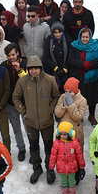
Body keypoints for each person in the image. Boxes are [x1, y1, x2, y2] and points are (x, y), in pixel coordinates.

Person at [12, 55, 60, 184]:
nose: (33, 71)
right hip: (30, 122)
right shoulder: (23, 81)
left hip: (47, 121)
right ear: (27, 69)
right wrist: (23, 112)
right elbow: (15, 97)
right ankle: (37, 168)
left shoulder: (50, 80)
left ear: (40, 68)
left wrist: (50, 110)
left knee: (48, 146)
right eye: (31, 68)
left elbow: (56, 96)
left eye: (36, 68)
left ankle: (50, 169)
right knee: (33, 146)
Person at [69, 28, 98, 125]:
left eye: (87, 37)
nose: (85, 39)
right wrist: (83, 64)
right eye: (83, 37)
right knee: (79, 97)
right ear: (80, 37)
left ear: (90, 37)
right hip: (78, 76)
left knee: (92, 97)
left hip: (92, 76)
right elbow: (71, 60)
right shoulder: (74, 46)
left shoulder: (95, 46)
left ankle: (91, 115)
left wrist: (90, 65)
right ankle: (80, 115)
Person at [49, 121, 85, 194]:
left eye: (65, 134)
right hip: (61, 169)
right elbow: (53, 156)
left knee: (72, 182)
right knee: (64, 183)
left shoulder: (75, 143)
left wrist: (82, 167)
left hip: (72, 168)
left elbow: (80, 156)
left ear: (70, 134)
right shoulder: (57, 143)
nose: (63, 136)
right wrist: (51, 168)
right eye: (61, 134)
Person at [54, 78, 87, 148]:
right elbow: (57, 114)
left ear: (75, 91)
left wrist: (71, 105)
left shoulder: (82, 100)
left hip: (75, 131)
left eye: (70, 92)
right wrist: (63, 105)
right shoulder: (62, 97)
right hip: (62, 131)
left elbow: (78, 118)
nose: (68, 94)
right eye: (66, 91)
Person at [42, 22, 69, 91]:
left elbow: (70, 55)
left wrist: (65, 68)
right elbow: (46, 57)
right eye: (55, 32)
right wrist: (55, 68)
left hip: (66, 72)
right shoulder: (49, 40)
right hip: (52, 72)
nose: (58, 34)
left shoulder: (67, 39)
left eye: (59, 32)